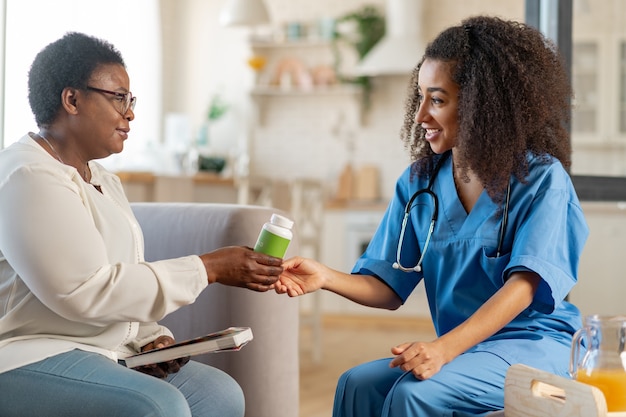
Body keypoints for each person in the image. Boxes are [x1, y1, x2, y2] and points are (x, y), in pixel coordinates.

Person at [275, 15, 589, 416]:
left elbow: (525, 287)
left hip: (534, 345)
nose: (421, 114)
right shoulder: (420, 183)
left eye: (437, 100)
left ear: (482, 105)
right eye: (420, 97)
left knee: (414, 394)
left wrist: (442, 349)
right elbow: (387, 287)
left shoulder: (542, 179)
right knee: (355, 384)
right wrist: (325, 277)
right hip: (468, 348)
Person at [0, 32, 284, 417]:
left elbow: (122, 275)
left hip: (104, 351)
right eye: (119, 98)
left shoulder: (102, 179)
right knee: (159, 406)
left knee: (220, 394)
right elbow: (83, 290)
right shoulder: (27, 174)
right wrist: (210, 267)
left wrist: (150, 338)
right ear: (72, 99)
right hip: (27, 353)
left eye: (130, 100)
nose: (129, 112)